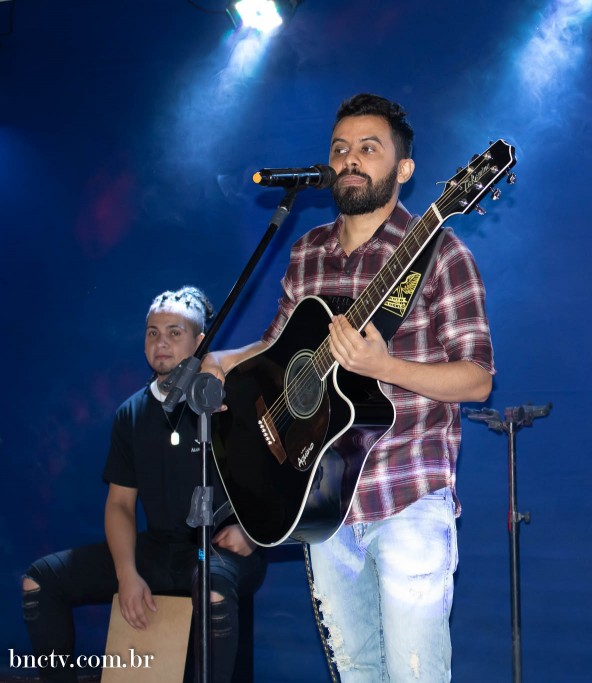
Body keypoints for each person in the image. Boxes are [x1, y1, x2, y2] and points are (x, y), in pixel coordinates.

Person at [201, 93, 495, 681]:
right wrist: (219, 360)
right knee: (356, 672)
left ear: (403, 169)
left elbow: (478, 379)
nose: (350, 159)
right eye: (339, 149)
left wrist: (384, 366)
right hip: (319, 497)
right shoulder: (308, 251)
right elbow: (279, 348)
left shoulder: (440, 252)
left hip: (407, 492)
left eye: (368, 147)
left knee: (414, 673)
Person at [22, 286, 267, 683]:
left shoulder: (226, 401)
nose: (161, 342)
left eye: (174, 332)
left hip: (218, 549)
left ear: (200, 342)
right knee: (39, 581)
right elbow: (120, 504)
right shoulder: (131, 413)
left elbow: (275, 483)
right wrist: (127, 574)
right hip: (157, 549)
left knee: (214, 593)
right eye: (153, 333)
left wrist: (252, 533)